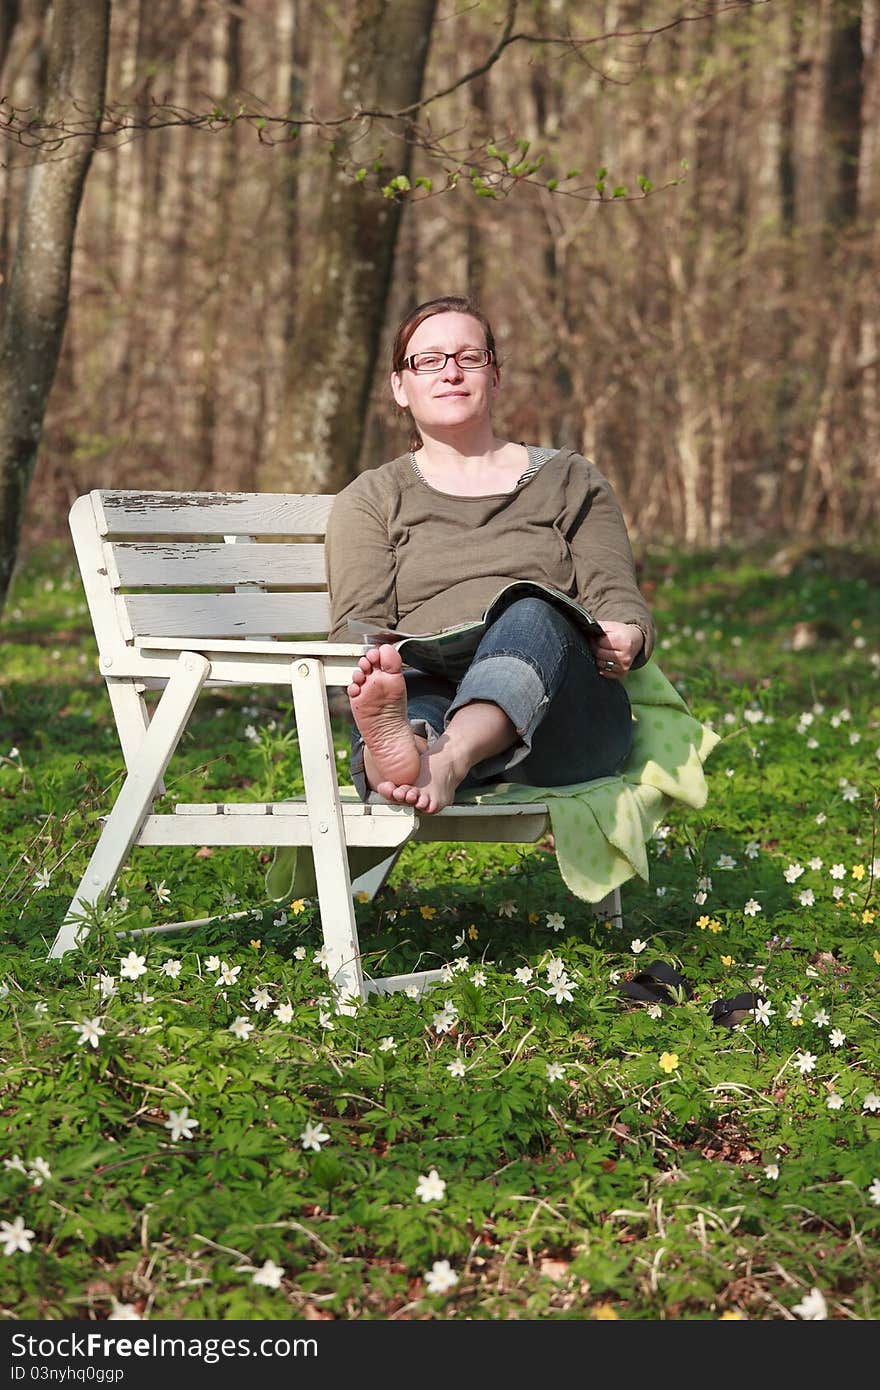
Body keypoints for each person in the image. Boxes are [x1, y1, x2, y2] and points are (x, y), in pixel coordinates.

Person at [325, 294, 654, 815]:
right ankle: (405, 751)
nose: (450, 373)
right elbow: (357, 627)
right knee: (406, 687)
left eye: (468, 358)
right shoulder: (372, 498)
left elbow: (616, 595)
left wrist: (627, 633)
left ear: (494, 377)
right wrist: (379, 665)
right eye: (428, 361)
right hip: (432, 681)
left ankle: (446, 757)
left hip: (562, 722)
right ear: (399, 387)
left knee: (531, 607)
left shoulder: (569, 479)